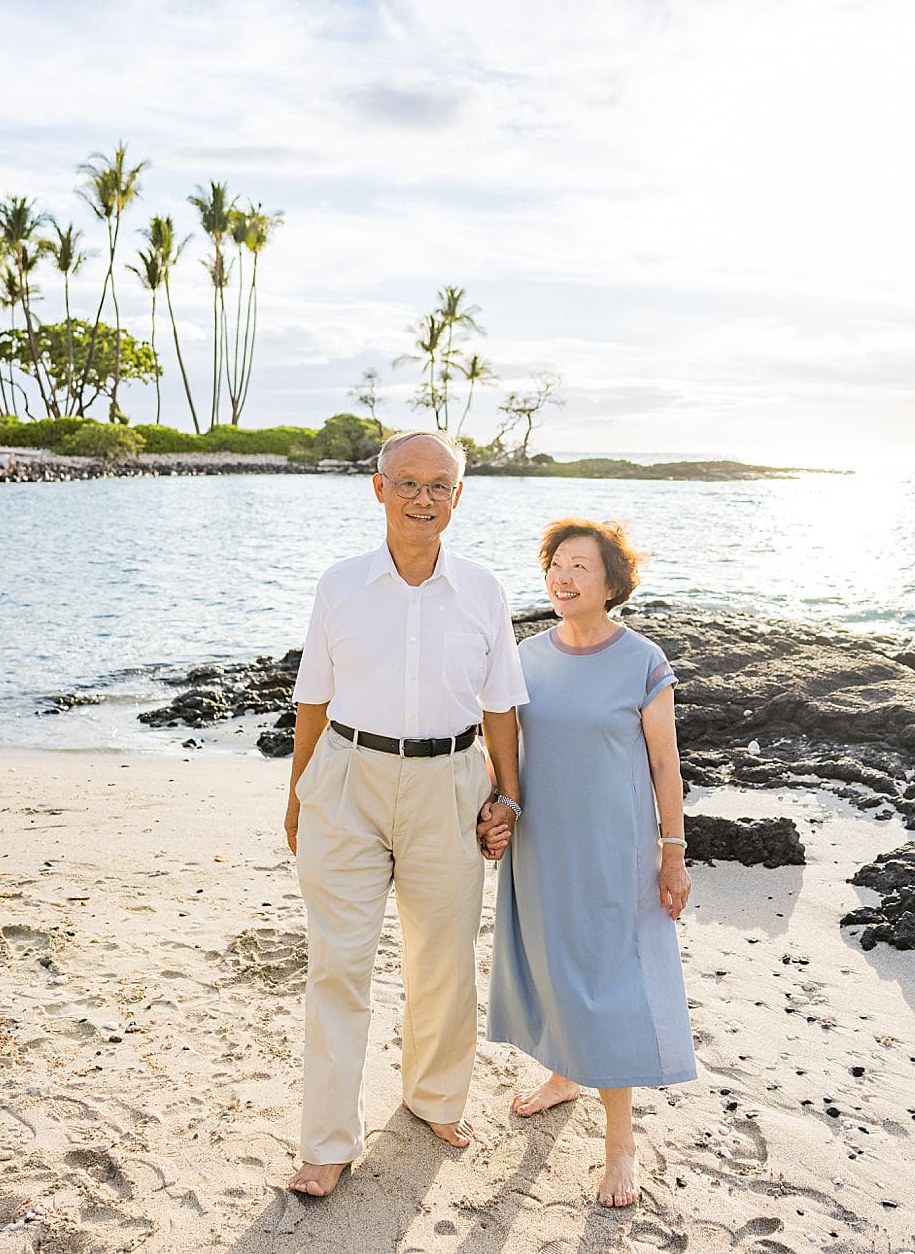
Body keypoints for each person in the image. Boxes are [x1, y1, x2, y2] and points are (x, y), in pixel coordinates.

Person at [285, 431, 527, 1198]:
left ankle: (434, 1099)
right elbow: (313, 699)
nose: (424, 498)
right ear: (378, 487)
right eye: (409, 483)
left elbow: (501, 710)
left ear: (459, 496)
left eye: (440, 486)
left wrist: (508, 795)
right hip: (346, 779)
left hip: (452, 783)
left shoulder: (485, 589)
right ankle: (327, 1142)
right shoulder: (340, 584)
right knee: (338, 964)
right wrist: (299, 794)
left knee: (444, 960)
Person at [482, 518, 696, 1207]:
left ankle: (620, 1141)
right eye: (555, 564)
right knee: (551, 965)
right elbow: (503, 747)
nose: (562, 577)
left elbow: (665, 762)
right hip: (544, 842)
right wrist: (500, 806)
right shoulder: (524, 656)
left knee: (609, 982)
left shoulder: (642, 659)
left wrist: (673, 851)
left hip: (617, 850)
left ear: (611, 583)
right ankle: (564, 1074)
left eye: (579, 566)